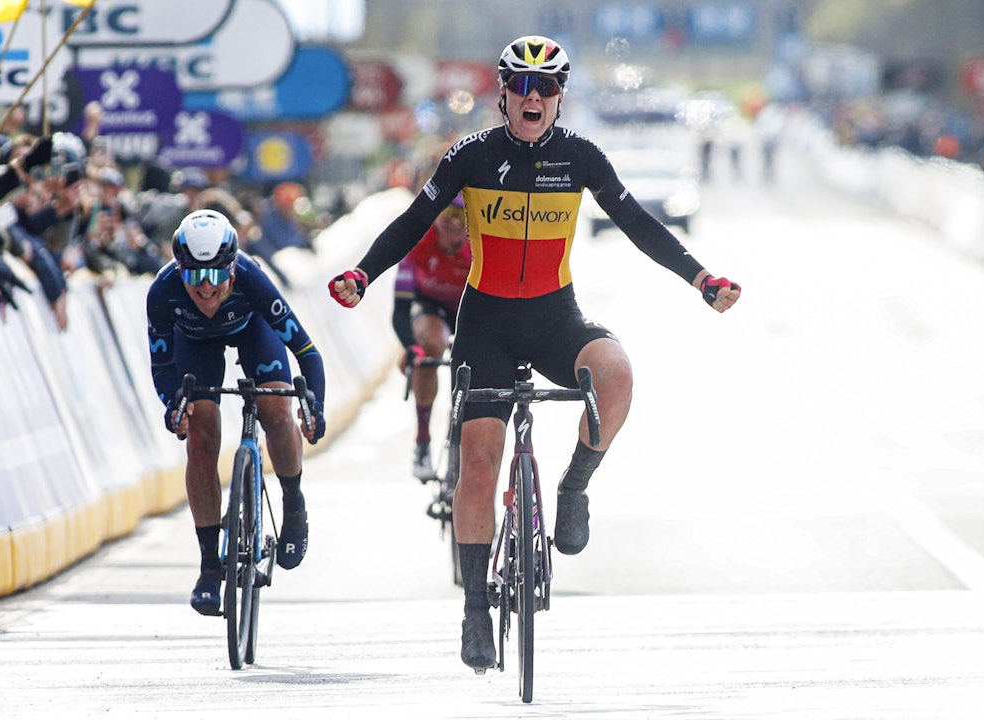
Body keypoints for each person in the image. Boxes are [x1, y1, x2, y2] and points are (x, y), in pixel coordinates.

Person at [329, 35, 741, 671]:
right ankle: (473, 611)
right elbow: (413, 221)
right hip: (486, 323)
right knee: (479, 466)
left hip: (555, 317)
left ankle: (574, 487)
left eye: (545, 87)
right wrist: (362, 274)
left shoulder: (581, 158)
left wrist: (701, 280)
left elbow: (640, 227)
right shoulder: (470, 156)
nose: (532, 96)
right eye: (521, 84)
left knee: (617, 373)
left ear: (559, 98)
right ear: (502, 94)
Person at [146, 209, 327, 616]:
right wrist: (173, 405)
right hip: (195, 344)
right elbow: (162, 367)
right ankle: (210, 566)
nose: (206, 289)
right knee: (202, 437)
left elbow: (307, 353)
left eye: (216, 276)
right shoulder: (162, 292)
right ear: (179, 270)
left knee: (278, 411)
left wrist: (314, 405)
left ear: (232, 267)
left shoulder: (252, 279)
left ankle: (293, 503)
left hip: (252, 331)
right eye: (194, 277)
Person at [392, 194, 471, 480]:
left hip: (469, 307)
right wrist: (412, 348)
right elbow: (400, 310)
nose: (451, 221)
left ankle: (463, 433)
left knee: (475, 353)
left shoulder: (480, 246)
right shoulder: (419, 244)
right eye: (446, 212)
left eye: (460, 215)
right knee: (430, 347)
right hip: (431, 307)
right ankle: (423, 441)